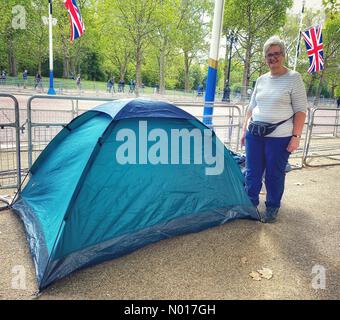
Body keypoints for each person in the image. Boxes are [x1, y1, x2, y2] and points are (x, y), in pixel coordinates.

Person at [241, 35, 307, 223]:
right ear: (265, 58)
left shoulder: (294, 78)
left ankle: (272, 207)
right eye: (269, 55)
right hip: (255, 133)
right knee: (252, 172)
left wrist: (296, 136)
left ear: (283, 55)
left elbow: (301, 110)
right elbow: (251, 107)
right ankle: (250, 204)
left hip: (280, 137)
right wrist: (244, 130)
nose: (273, 58)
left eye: (277, 54)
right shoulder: (261, 80)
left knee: (274, 173)